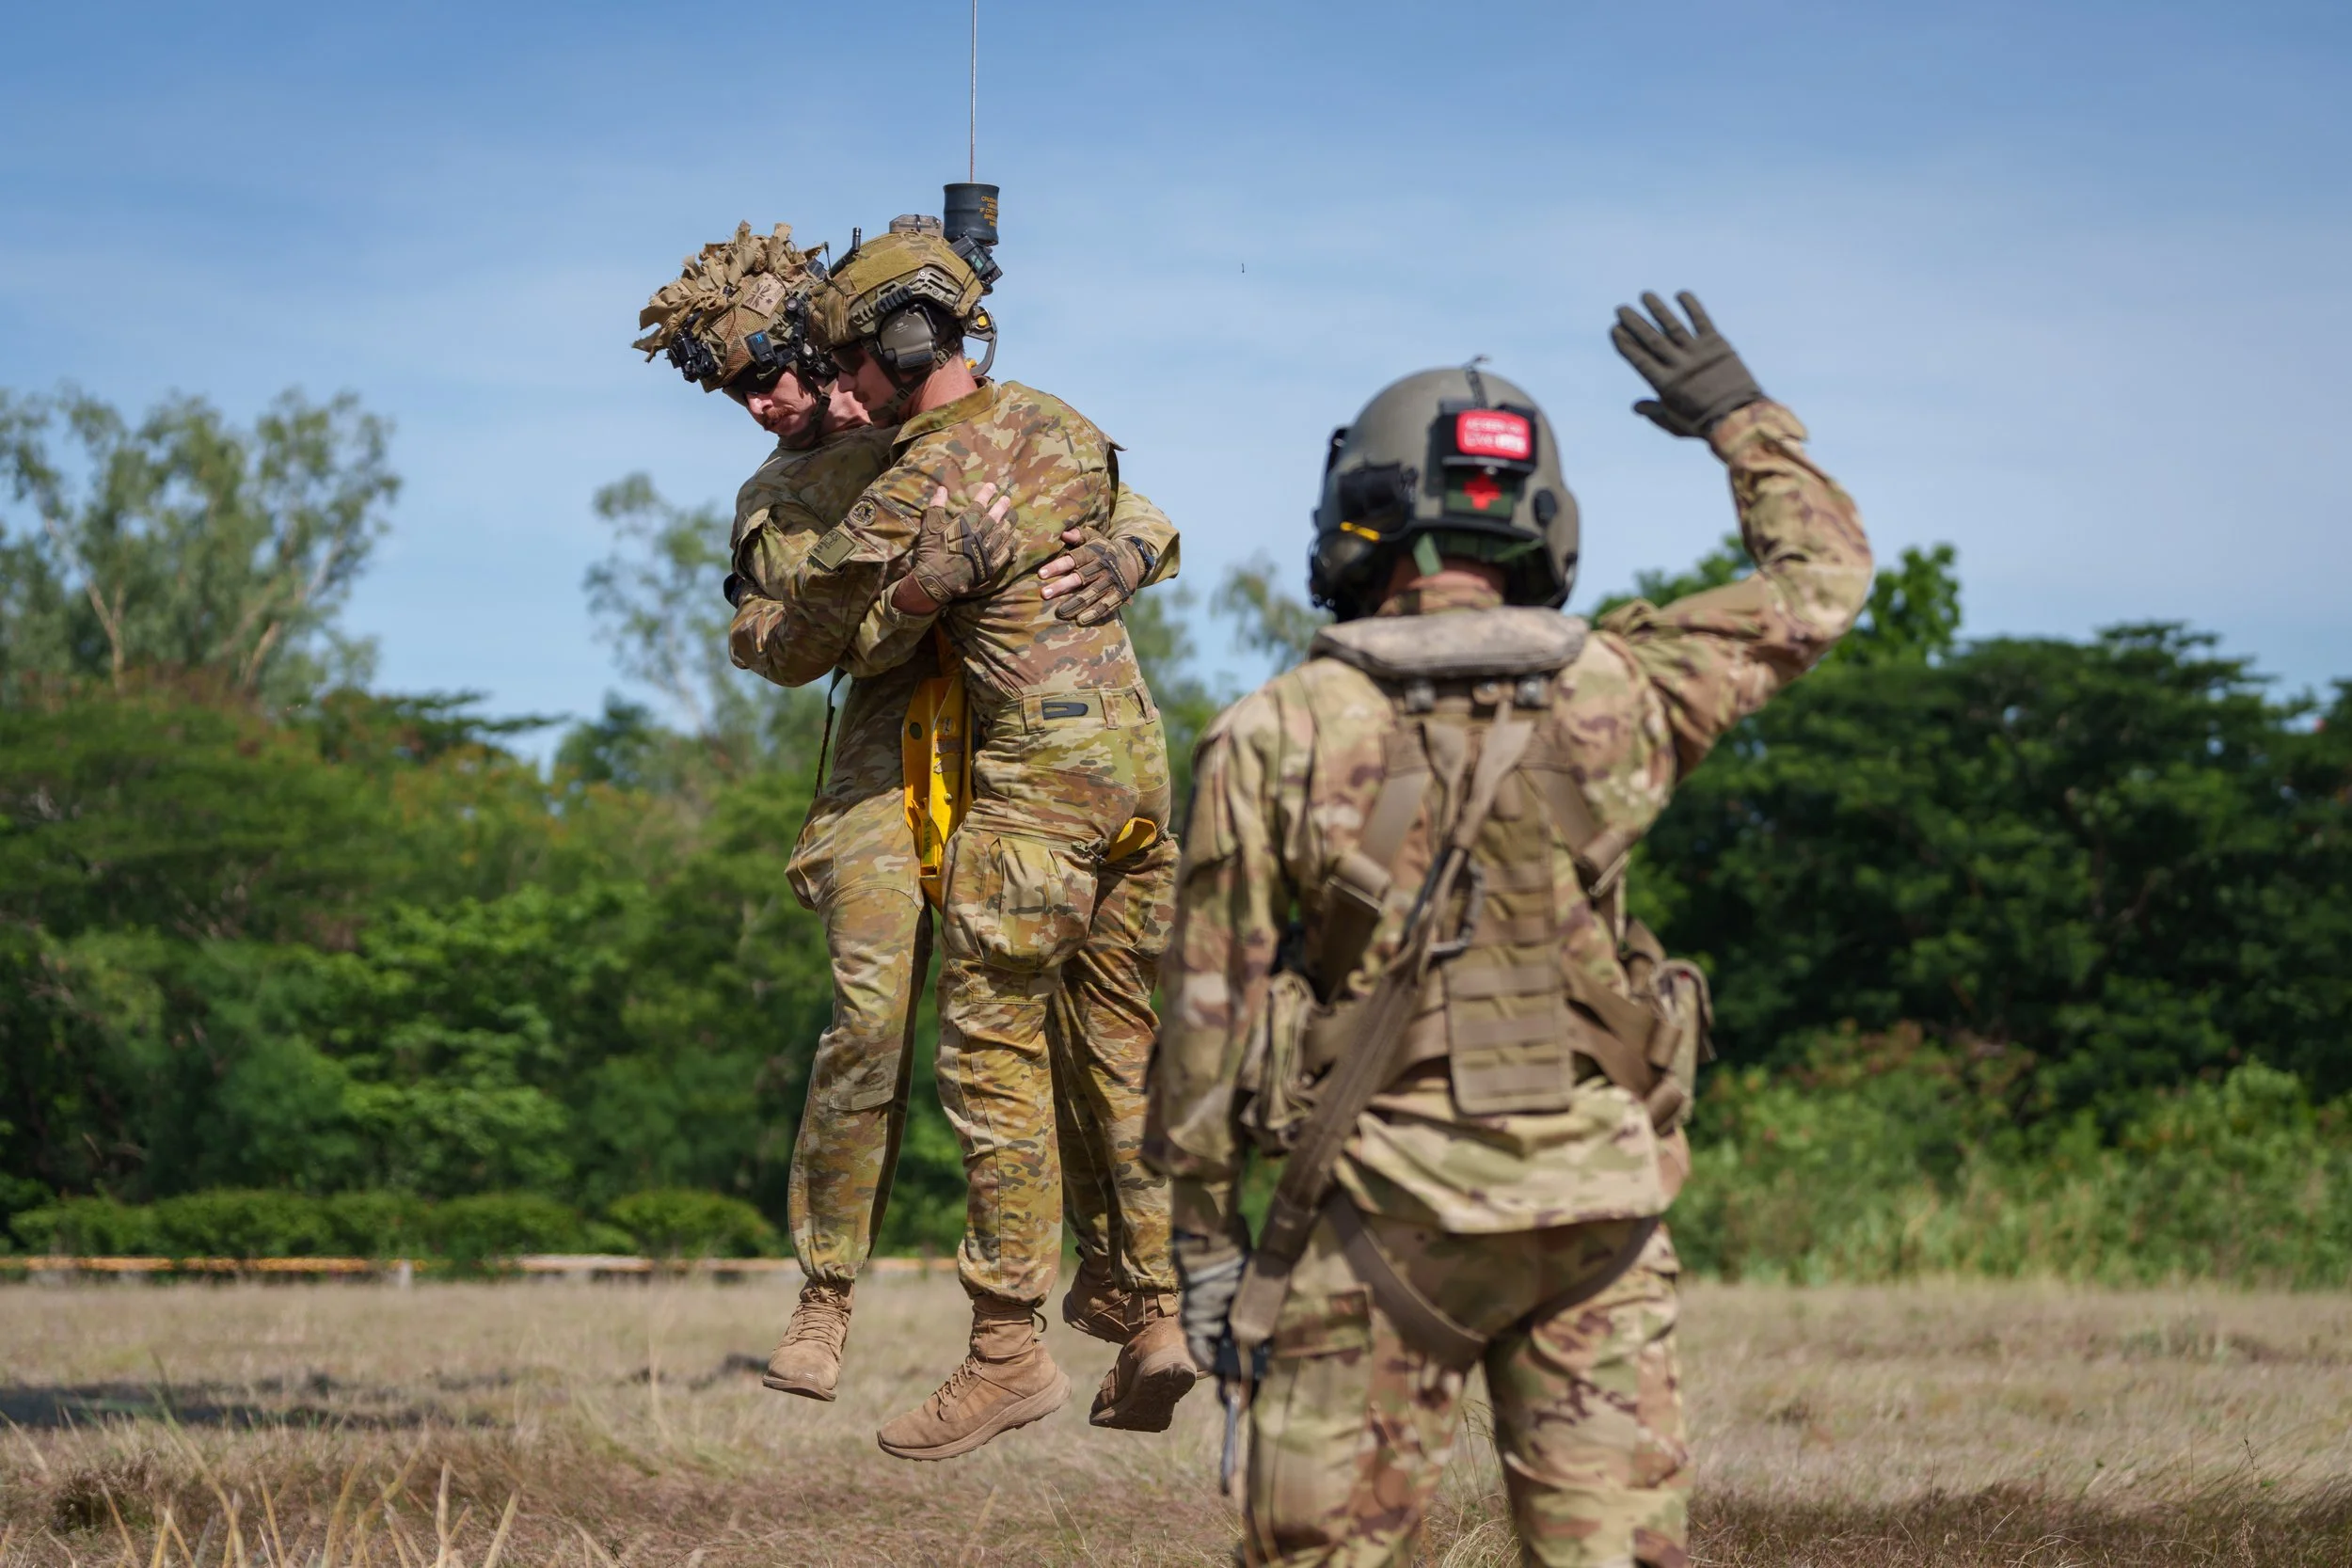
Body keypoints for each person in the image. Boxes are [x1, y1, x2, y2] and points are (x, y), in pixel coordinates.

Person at [1146, 293, 1874, 1566]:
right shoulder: (1629, 688)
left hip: (1381, 1216)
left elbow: (1208, 1020)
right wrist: (1742, 422)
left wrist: (1205, 1247)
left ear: (1360, 516)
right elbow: (1821, 582)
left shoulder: (1279, 727)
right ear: (1541, 522)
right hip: (1599, 1215)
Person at [633, 220, 1177, 1405]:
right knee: (870, 1020)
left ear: (830, 346)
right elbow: (777, 637)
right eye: (735, 394)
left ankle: (1129, 1292)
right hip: (885, 760)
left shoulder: (961, 422)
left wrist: (1129, 557)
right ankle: (826, 1294)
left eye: (770, 374)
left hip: (1023, 748)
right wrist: (869, 606)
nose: (762, 406)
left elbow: (1128, 506)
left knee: (1086, 1023)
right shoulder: (778, 491)